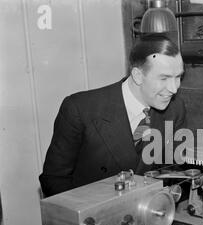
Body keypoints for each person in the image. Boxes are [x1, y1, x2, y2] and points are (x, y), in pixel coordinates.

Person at [40, 34, 186, 197]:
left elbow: (172, 172)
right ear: (138, 75)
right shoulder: (80, 109)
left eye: (178, 77)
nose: (174, 89)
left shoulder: (175, 109)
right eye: (164, 78)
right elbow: (54, 180)